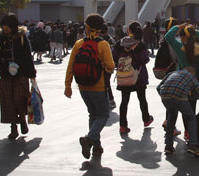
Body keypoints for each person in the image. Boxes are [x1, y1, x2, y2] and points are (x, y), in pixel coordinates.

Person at [65, 14, 115, 158]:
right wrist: (104, 69)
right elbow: (111, 66)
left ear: (87, 27)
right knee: (103, 115)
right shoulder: (103, 44)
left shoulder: (79, 44)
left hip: (82, 86)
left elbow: (70, 66)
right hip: (98, 87)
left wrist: (67, 85)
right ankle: (89, 139)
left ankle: (97, 146)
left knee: (93, 114)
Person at [0, 13, 36, 140]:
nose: (5, 28)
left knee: (19, 99)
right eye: (3, 25)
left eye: (8, 25)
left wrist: (32, 75)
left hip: (21, 74)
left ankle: (22, 119)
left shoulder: (22, 38)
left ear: (13, 25)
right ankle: (13, 128)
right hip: (5, 76)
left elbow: (28, 57)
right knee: (8, 103)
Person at [157, 67, 199, 157]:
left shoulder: (172, 73)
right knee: (191, 118)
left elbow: (158, 87)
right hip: (180, 96)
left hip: (164, 95)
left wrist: (166, 96)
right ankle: (193, 145)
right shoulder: (191, 76)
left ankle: (168, 146)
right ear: (193, 73)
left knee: (171, 117)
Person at [112, 21, 153, 134]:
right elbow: (145, 59)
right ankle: (146, 119)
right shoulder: (139, 45)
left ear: (128, 30)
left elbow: (113, 56)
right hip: (138, 76)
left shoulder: (120, 43)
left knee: (124, 101)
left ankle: (123, 125)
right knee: (142, 99)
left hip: (124, 76)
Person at [99, 23, 117, 109]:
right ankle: (110, 100)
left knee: (104, 83)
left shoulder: (99, 40)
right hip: (110, 64)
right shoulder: (111, 39)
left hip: (100, 65)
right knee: (106, 83)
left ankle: (108, 100)